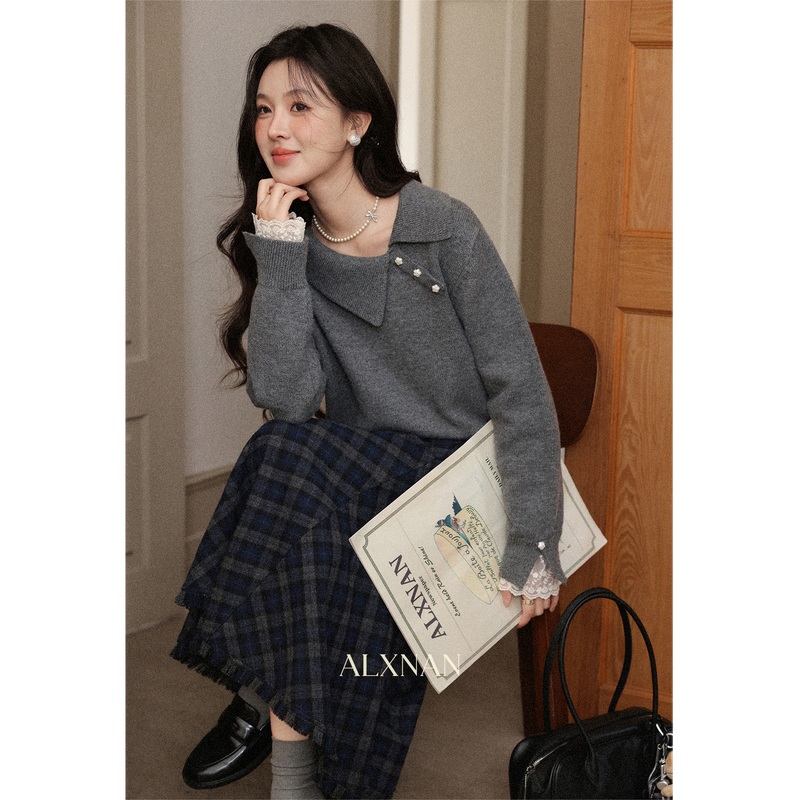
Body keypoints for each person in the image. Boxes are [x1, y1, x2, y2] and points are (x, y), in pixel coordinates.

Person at [171, 22, 565, 800]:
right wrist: (279, 250)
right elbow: (287, 399)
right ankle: (296, 782)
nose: (275, 127)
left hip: (452, 474)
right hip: (358, 470)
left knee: (289, 465)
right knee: (293, 476)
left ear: (358, 122)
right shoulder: (290, 241)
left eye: (300, 106)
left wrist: (536, 541)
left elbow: (521, 387)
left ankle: (255, 698)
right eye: (263, 109)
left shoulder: (442, 226)